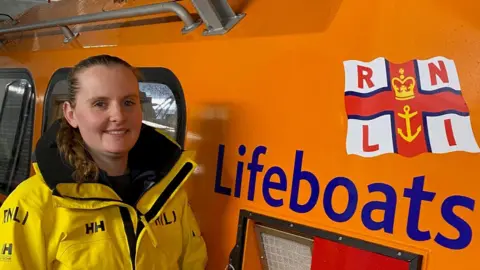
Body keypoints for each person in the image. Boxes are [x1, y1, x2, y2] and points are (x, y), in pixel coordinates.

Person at [0, 55, 208, 269]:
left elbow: (193, 262)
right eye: (100, 104)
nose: (118, 115)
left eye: (128, 102)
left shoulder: (168, 193)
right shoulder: (31, 205)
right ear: (71, 115)